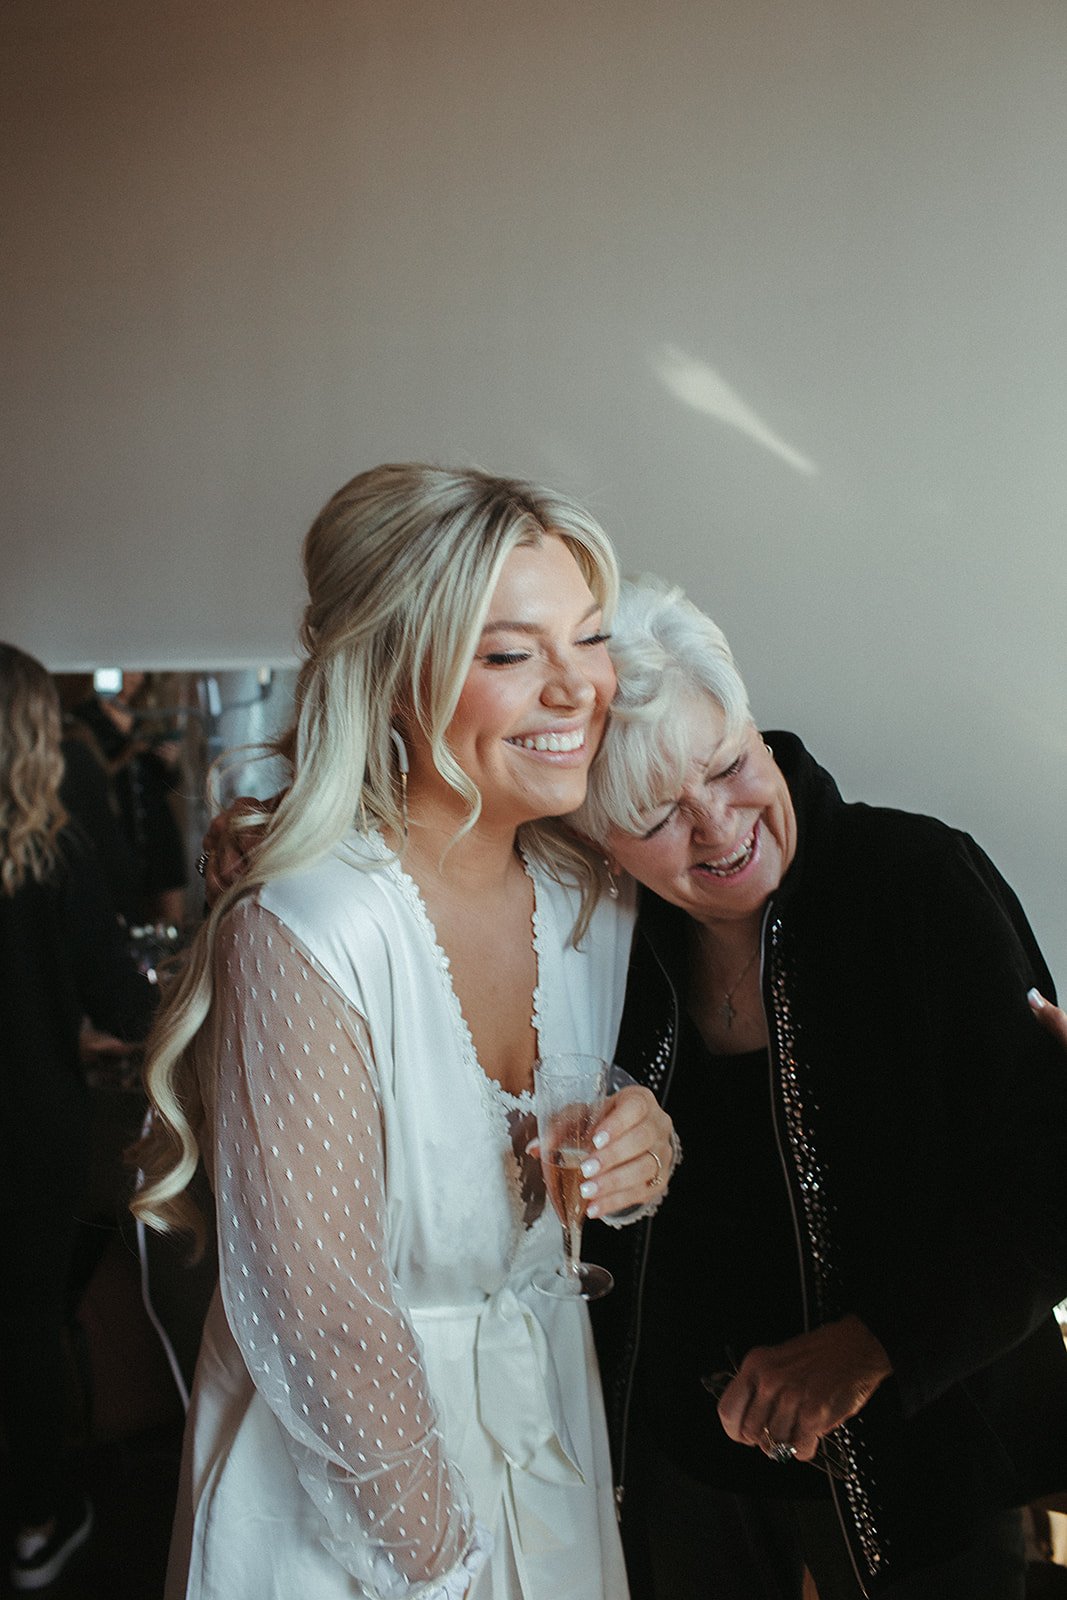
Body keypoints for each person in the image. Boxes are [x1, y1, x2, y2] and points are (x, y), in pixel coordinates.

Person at [131, 465, 674, 1600]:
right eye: (510, 653)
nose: (580, 689)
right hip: (352, 1492)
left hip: (545, 1446)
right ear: (389, 676)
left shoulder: (595, 903)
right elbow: (319, 1313)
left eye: (589, 639)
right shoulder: (313, 922)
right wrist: (441, 1559)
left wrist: (644, 1149)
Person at [575, 575, 1067, 1599]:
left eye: (726, 765)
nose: (716, 827)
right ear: (594, 834)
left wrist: (870, 1345)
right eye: (658, 812)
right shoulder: (603, 943)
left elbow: (1050, 1179)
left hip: (929, 1475)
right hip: (680, 1476)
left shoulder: (921, 884)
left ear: (754, 729)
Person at [0, 644, 158, 1591]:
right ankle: (37, 1521)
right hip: (29, 1130)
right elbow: (123, 1000)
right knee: (26, 1325)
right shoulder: (52, 851)